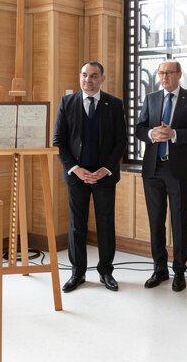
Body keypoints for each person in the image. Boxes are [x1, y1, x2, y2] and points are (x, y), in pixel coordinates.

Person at [53, 61, 126, 293]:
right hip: (77, 176)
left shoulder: (114, 104)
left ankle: (106, 271)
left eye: (94, 76)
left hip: (104, 175)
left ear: (102, 79)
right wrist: (74, 168)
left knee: (105, 224)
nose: (88, 80)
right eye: (84, 75)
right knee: (76, 226)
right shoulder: (67, 102)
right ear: (80, 76)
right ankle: (78, 273)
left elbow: (121, 141)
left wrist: (106, 168)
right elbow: (59, 141)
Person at [135, 60, 187, 291]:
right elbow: (139, 129)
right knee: (156, 221)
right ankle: (159, 269)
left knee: (179, 220)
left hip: (179, 170)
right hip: (153, 169)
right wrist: (152, 134)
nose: (164, 77)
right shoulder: (151, 98)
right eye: (161, 73)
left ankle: (180, 271)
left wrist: (174, 134)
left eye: (169, 73)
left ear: (179, 75)